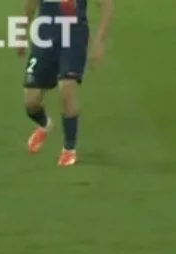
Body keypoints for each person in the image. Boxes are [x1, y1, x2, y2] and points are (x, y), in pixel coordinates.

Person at [20, 0, 112, 166]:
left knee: (67, 88)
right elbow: (30, 5)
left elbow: (106, 5)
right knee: (30, 102)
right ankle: (45, 125)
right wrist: (20, 35)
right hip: (44, 37)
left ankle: (69, 149)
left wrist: (99, 41)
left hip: (74, 38)